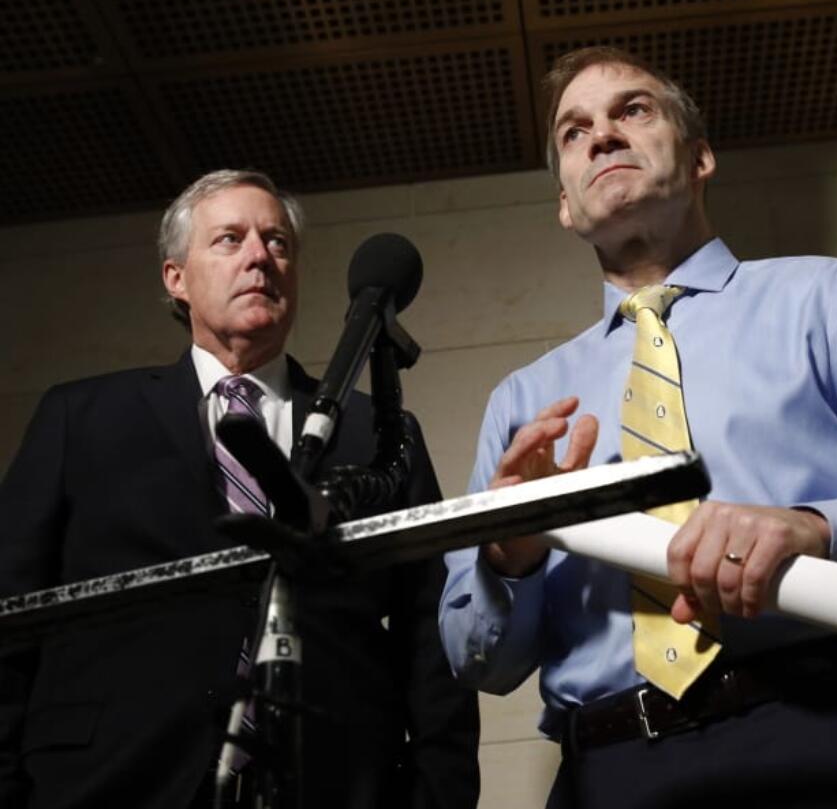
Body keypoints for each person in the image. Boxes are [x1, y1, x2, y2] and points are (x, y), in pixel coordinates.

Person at [440, 47, 837, 809]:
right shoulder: (522, 402)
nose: (603, 136)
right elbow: (474, 659)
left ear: (700, 156)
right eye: (573, 131)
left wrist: (817, 529)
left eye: (633, 110)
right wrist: (512, 549)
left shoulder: (833, 299)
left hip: (830, 740)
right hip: (609, 773)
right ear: (565, 203)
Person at [0, 170, 480, 808]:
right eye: (230, 239)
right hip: (110, 780)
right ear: (177, 278)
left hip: (334, 783)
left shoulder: (381, 432)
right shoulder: (79, 418)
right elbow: (10, 612)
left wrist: (437, 795)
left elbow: (432, 631)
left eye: (277, 242)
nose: (260, 256)